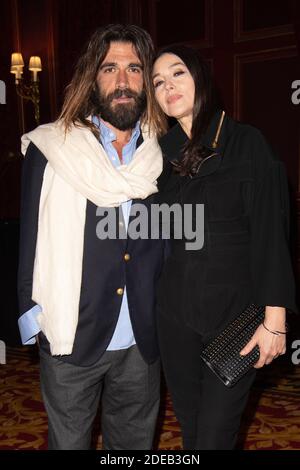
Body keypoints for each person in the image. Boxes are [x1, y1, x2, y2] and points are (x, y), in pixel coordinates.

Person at [17, 24, 166, 450]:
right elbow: (30, 241)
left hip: (141, 341)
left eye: (134, 69)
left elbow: (169, 246)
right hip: (71, 337)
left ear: (147, 81)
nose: (122, 81)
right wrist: (35, 321)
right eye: (110, 69)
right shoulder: (52, 149)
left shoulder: (162, 156)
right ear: (91, 78)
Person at [151, 44, 298, 450]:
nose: (168, 86)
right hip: (174, 316)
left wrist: (276, 319)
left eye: (177, 73)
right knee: (193, 431)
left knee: (215, 436)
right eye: (158, 82)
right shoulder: (158, 159)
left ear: (199, 77)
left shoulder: (248, 144)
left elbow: (272, 234)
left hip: (235, 317)